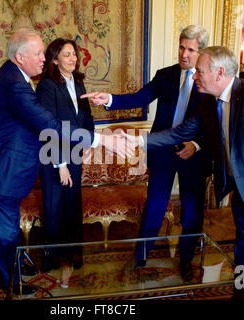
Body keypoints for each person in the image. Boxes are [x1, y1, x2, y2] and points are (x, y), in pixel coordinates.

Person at [124, 46, 244, 300]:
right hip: (242, 197)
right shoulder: (209, 102)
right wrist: (137, 142)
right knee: (243, 261)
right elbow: (180, 132)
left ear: (219, 72)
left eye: (199, 71)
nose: (194, 76)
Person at [0, 28, 121, 296]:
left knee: (10, 226)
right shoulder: (15, 84)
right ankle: (12, 285)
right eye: (39, 53)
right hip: (1, 171)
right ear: (20, 57)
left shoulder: (16, 77)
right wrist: (100, 140)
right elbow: (50, 124)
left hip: (7, 169)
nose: (44, 58)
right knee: (5, 232)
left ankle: (16, 267)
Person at [82, 25, 212, 281]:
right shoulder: (165, 75)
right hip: (163, 150)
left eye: (191, 50)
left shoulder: (208, 78)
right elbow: (139, 98)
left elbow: (213, 121)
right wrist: (109, 99)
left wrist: (196, 144)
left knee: (192, 209)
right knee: (154, 205)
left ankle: (186, 258)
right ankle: (140, 256)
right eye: (181, 47)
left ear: (201, 52)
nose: (184, 54)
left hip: (193, 154)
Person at [35, 38, 95, 284]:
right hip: (53, 155)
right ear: (55, 58)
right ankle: (52, 256)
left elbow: (86, 116)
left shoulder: (78, 82)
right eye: (67, 54)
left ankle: (74, 251)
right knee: (53, 206)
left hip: (75, 152)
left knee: (72, 203)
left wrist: (88, 143)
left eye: (74, 54)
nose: (73, 59)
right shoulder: (47, 86)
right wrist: (60, 165)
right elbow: (48, 127)